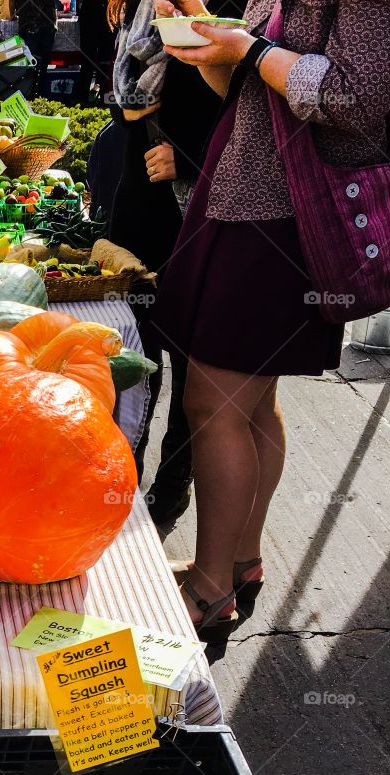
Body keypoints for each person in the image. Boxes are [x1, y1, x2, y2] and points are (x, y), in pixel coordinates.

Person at [151, 0, 390, 639]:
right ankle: (238, 561)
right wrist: (213, 44)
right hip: (250, 203)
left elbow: (355, 100)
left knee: (212, 402)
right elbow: (250, 85)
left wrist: (250, 50)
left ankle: (209, 588)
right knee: (250, 401)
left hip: (284, 217)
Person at [106, 0, 241, 524]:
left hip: (200, 205)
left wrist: (189, 157)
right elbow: (124, 99)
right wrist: (130, 109)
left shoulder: (228, 7)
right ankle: (126, 469)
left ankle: (171, 487)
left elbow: (247, 109)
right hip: (138, 198)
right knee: (135, 351)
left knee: (191, 361)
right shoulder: (136, 7)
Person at [14, 0, 63, 97]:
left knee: (38, 63)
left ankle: (36, 95)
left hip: (43, 22)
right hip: (34, 22)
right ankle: (29, 95)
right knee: (30, 63)